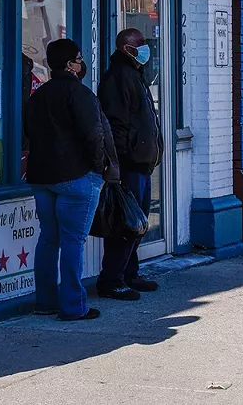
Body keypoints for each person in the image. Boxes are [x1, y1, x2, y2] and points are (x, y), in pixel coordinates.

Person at [25, 38, 112, 321]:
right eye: (78, 58)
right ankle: (74, 306)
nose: (81, 62)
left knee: (49, 239)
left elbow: (28, 135)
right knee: (73, 241)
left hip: (42, 177)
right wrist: (100, 169)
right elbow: (93, 135)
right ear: (70, 65)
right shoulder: (81, 94)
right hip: (76, 177)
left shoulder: (38, 96)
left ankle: (46, 301)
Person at [97, 28, 164, 300]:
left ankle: (129, 273)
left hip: (142, 164)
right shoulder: (118, 78)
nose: (145, 48)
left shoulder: (135, 74)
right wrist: (122, 160)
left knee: (137, 223)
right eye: (140, 44)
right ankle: (112, 279)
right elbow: (116, 125)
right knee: (125, 225)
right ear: (127, 48)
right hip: (129, 166)